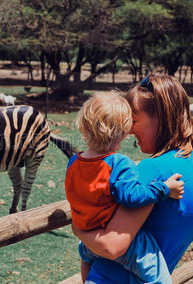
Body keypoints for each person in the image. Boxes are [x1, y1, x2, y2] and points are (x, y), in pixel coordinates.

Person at [71, 74, 193, 283]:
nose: (128, 130)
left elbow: (112, 246)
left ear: (161, 117)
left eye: (134, 121)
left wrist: (78, 230)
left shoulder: (152, 170)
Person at [65, 90, 184, 284]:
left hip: (86, 242)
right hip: (121, 244)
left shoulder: (73, 162)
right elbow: (131, 196)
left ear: (84, 126)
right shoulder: (118, 163)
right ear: (123, 132)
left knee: (88, 267)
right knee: (160, 277)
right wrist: (164, 189)